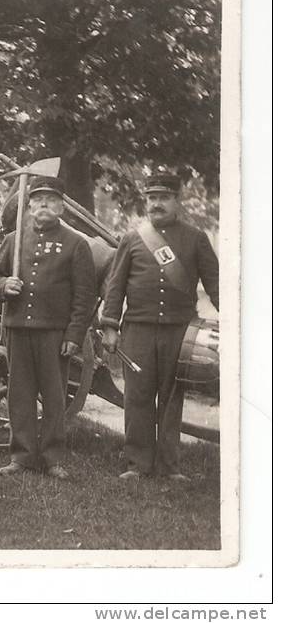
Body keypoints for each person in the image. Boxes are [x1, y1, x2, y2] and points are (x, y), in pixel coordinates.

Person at [100, 173, 219, 482]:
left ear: (177, 201)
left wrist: (234, 319)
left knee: (171, 396)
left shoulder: (196, 238)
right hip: (137, 330)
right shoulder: (133, 238)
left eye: (163, 198)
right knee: (137, 396)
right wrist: (110, 326)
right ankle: (137, 464)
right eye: (152, 198)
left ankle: (169, 466)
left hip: (179, 331)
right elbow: (115, 287)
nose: (156, 204)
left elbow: (215, 284)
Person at [0, 176, 96, 480]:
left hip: (54, 333)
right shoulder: (13, 240)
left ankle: (52, 458)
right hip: (18, 330)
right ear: (29, 206)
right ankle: (21, 456)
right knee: (20, 394)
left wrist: (74, 335)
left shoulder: (76, 244)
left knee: (54, 396)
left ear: (61, 207)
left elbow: (84, 297)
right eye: (38, 200)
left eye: (50, 200)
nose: (44, 205)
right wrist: (3, 284)